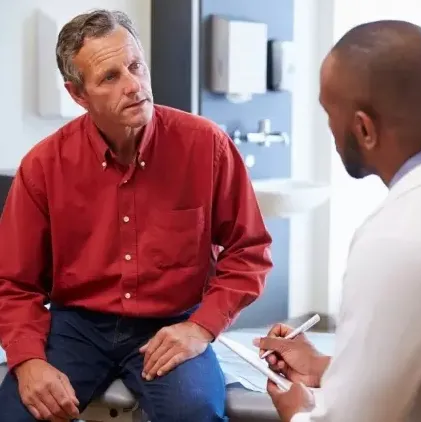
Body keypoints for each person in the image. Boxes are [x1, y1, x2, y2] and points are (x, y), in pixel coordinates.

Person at [0, 9, 273, 422]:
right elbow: (14, 282)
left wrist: (201, 327)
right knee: (16, 413)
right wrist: (26, 360)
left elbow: (249, 252)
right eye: (110, 77)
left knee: (194, 412)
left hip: (172, 321)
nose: (134, 86)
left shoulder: (206, 145)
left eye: (135, 66)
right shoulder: (42, 166)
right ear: (78, 95)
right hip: (76, 326)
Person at [254, 20, 421, 422]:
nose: (329, 129)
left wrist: (296, 413)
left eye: (328, 112)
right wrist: (329, 369)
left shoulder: (403, 236)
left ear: (364, 128)